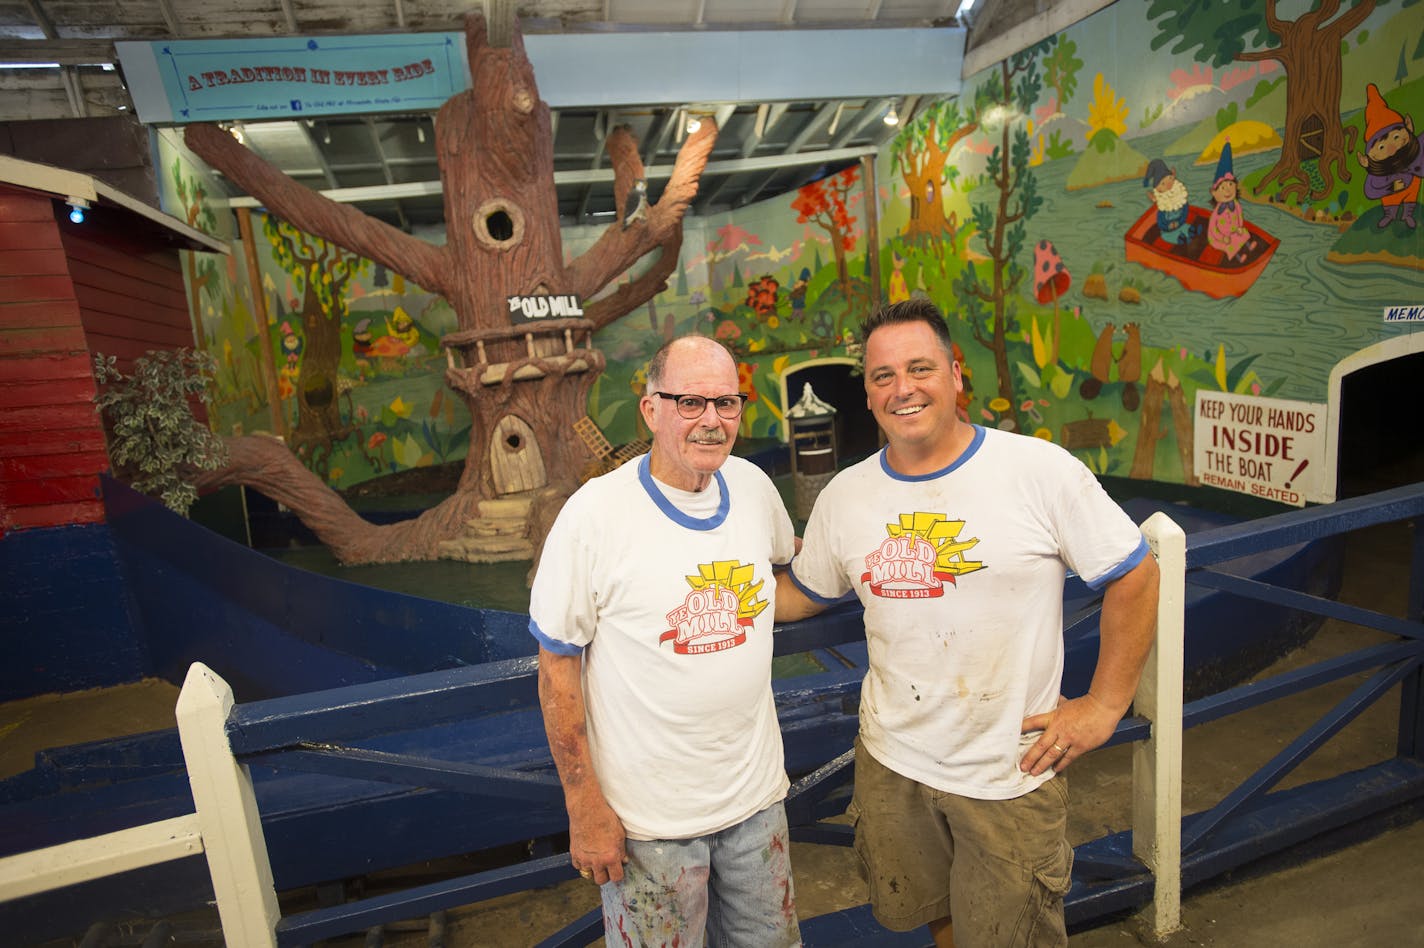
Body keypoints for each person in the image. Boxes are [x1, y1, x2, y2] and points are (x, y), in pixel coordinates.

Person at [776, 299, 1159, 948]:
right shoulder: (846, 496)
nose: (903, 388)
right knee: (939, 917)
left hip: (1005, 772)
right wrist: (691, 577)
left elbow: (1136, 574)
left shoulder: (1036, 471)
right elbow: (800, 595)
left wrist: (1104, 704)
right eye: (883, 376)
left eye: (920, 368)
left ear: (956, 376)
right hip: (894, 761)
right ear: (867, 395)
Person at [531, 335, 802, 947]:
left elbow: (789, 568)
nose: (712, 420)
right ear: (651, 410)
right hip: (647, 825)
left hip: (757, 803)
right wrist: (584, 805)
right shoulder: (592, 516)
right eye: (691, 402)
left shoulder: (756, 488)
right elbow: (555, 668)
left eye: (727, 403)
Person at [1206, 141, 1255, 261]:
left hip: (1234, 230)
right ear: (1214, 192)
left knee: (1243, 234)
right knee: (1231, 245)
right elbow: (1213, 229)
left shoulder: (1236, 204)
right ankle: (1238, 257)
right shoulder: (1217, 213)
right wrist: (1222, 238)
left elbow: (1239, 215)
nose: (1228, 191)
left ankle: (1248, 246)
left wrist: (1239, 226)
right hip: (1222, 236)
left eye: (1230, 185)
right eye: (1223, 187)